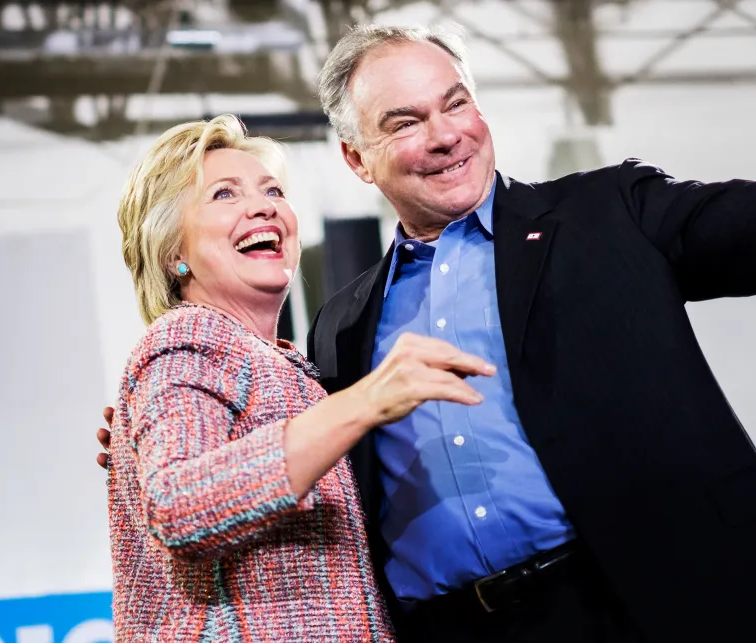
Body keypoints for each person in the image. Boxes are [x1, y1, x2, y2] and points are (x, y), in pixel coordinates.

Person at [304, 25, 756, 643]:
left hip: (663, 601)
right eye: (405, 123)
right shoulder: (342, 324)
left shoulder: (607, 214)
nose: (447, 136)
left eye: (456, 102)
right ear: (357, 157)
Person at [106, 113, 496, 642]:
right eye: (223, 195)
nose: (264, 205)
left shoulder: (286, 363)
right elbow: (177, 506)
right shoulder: (187, 338)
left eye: (273, 190)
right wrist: (365, 403)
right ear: (173, 251)